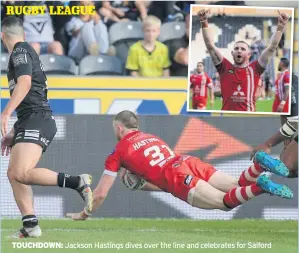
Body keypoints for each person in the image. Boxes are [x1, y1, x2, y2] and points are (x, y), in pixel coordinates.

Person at [68, 110, 293, 220]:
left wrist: (84, 214)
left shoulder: (118, 152)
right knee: (235, 184)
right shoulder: (151, 137)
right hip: (187, 162)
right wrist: (144, 184)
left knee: (224, 203)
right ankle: (259, 167)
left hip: (176, 176)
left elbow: (99, 194)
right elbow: (159, 176)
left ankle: (261, 186)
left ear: (119, 129)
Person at [1, 16, 93, 238]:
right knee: (14, 173)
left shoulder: (20, 51)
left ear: (2, 35)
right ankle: (30, 225)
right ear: (23, 33)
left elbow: (25, 84)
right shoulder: (24, 50)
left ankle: (77, 182)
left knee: (22, 172)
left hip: (37, 118)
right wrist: (14, 130)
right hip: (30, 118)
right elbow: (29, 93)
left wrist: (5, 113)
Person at [199, 9, 289, 112]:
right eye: (236, 48)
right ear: (232, 53)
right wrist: (204, 22)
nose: (239, 51)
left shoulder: (255, 68)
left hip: (248, 117)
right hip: (227, 118)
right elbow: (210, 45)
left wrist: (281, 26)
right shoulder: (225, 67)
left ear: (249, 54)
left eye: (243, 49)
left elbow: (272, 47)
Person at [251, 73, 298, 178]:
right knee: (287, 166)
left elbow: (295, 122)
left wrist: (268, 144)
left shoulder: (291, 79)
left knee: (287, 166)